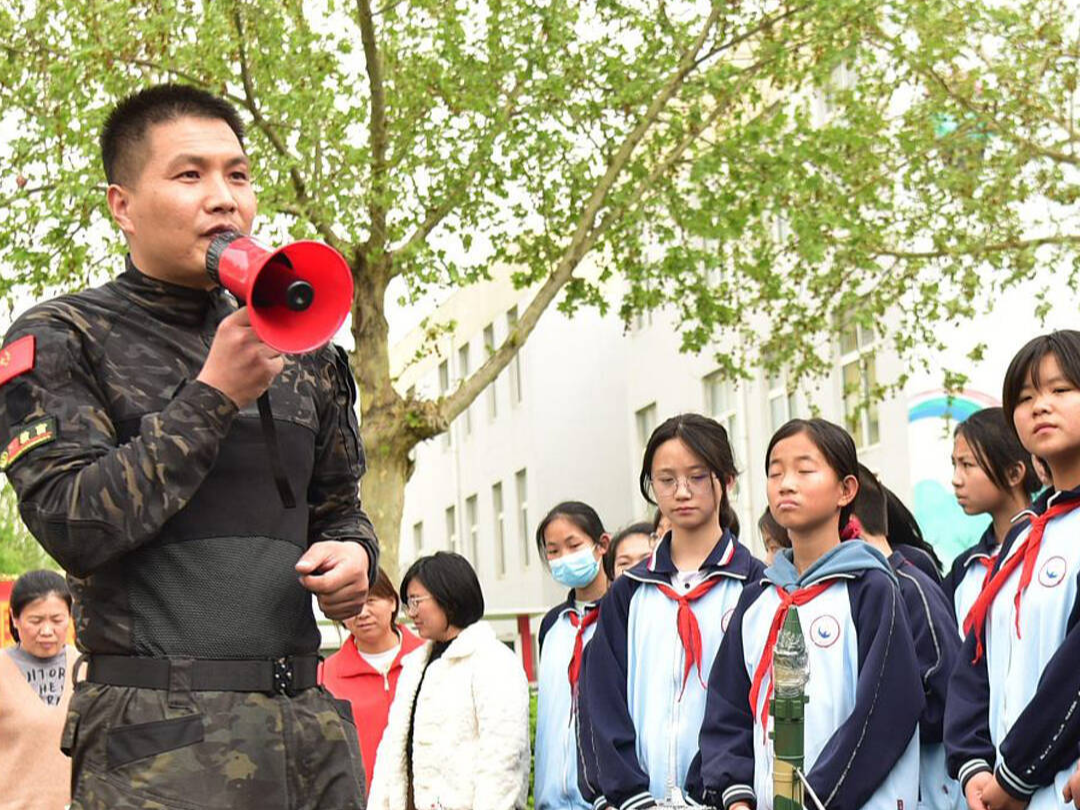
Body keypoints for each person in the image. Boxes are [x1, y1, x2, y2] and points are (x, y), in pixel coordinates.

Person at [0, 84, 378, 808]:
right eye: (189, 174)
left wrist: (356, 557)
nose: (224, 198)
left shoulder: (307, 349)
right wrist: (213, 397)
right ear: (122, 205)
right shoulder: (61, 335)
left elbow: (340, 509)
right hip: (160, 746)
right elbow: (73, 523)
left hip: (309, 734)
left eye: (237, 174)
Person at [687, 418, 923, 808]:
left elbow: (886, 711)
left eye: (804, 469)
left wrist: (810, 800)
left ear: (846, 490)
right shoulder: (758, 601)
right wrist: (737, 796)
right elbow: (726, 711)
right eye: (774, 472)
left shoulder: (870, 588)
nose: (786, 483)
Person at [580, 413, 764, 808]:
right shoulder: (629, 593)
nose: (682, 491)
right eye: (667, 479)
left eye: (697, 476)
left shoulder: (757, 587)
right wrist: (625, 796)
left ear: (726, 480)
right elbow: (600, 702)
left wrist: (733, 790)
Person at [946, 331, 1080, 810]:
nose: (1041, 406)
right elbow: (972, 661)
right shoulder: (1024, 537)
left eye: (1061, 390)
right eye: (1025, 397)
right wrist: (975, 767)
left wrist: (1016, 776)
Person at [368, 552, 530, 810]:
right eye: (408, 602)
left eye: (417, 601)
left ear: (449, 598)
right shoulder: (415, 666)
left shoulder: (493, 660)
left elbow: (502, 759)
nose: (411, 612)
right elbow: (391, 755)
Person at [851, 465, 964, 810]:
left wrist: (875, 716)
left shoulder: (910, 588)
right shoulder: (854, 591)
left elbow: (946, 697)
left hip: (928, 788)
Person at [321, 567, 424, 793]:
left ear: (392, 602)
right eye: (352, 606)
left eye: (371, 600)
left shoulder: (428, 660)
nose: (362, 613)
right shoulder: (324, 676)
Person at [944, 407, 1040, 633]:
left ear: (1014, 473)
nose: (956, 480)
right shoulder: (965, 569)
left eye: (967, 465)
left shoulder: (1049, 548)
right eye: (954, 465)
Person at [0, 570, 79, 810]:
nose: (47, 631)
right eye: (36, 621)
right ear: (14, 618)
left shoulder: (86, 668)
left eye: (57, 620)